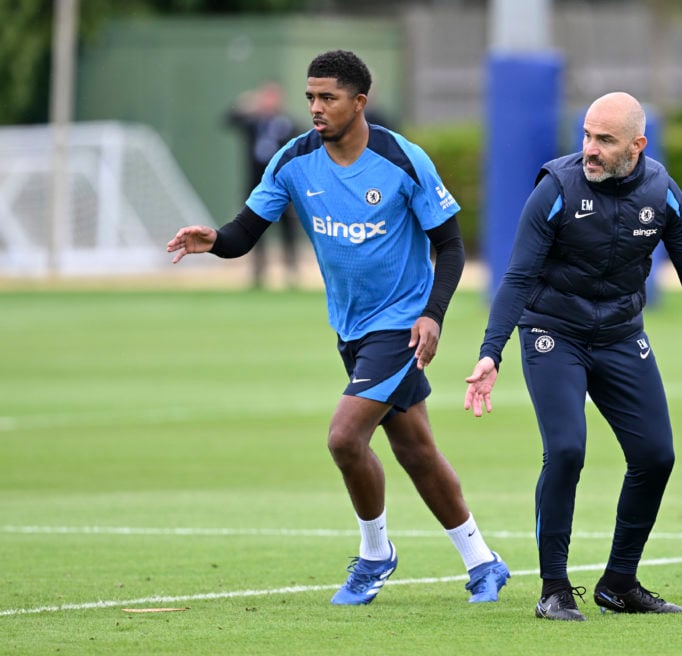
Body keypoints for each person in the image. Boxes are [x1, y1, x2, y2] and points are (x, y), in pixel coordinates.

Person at [168, 49, 510, 606]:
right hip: (350, 329)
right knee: (416, 450)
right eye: (310, 97)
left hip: (400, 327)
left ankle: (375, 555)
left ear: (359, 102)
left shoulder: (402, 161)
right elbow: (244, 233)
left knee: (345, 438)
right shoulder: (293, 160)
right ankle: (484, 562)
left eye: (328, 97)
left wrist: (433, 314)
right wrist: (214, 242)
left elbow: (449, 245)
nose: (316, 108)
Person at [464, 92, 682, 621]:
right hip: (552, 333)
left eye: (604, 140)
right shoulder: (555, 189)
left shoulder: (663, 192)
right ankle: (554, 589)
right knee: (565, 450)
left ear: (637, 145)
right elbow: (517, 276)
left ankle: (619, 583)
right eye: (586, 136)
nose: (590, 149)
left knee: (657, 455)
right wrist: (490, 353)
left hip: (619, 335)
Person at [226, 81, 303, 289]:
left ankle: (292, 270)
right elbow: (229, 120)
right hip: (256, 182)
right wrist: (245, 103)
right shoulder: (253, 122)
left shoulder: (287, 122)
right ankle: (258, 271)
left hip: (283, 184)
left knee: (288, 228)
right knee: (254, 226)